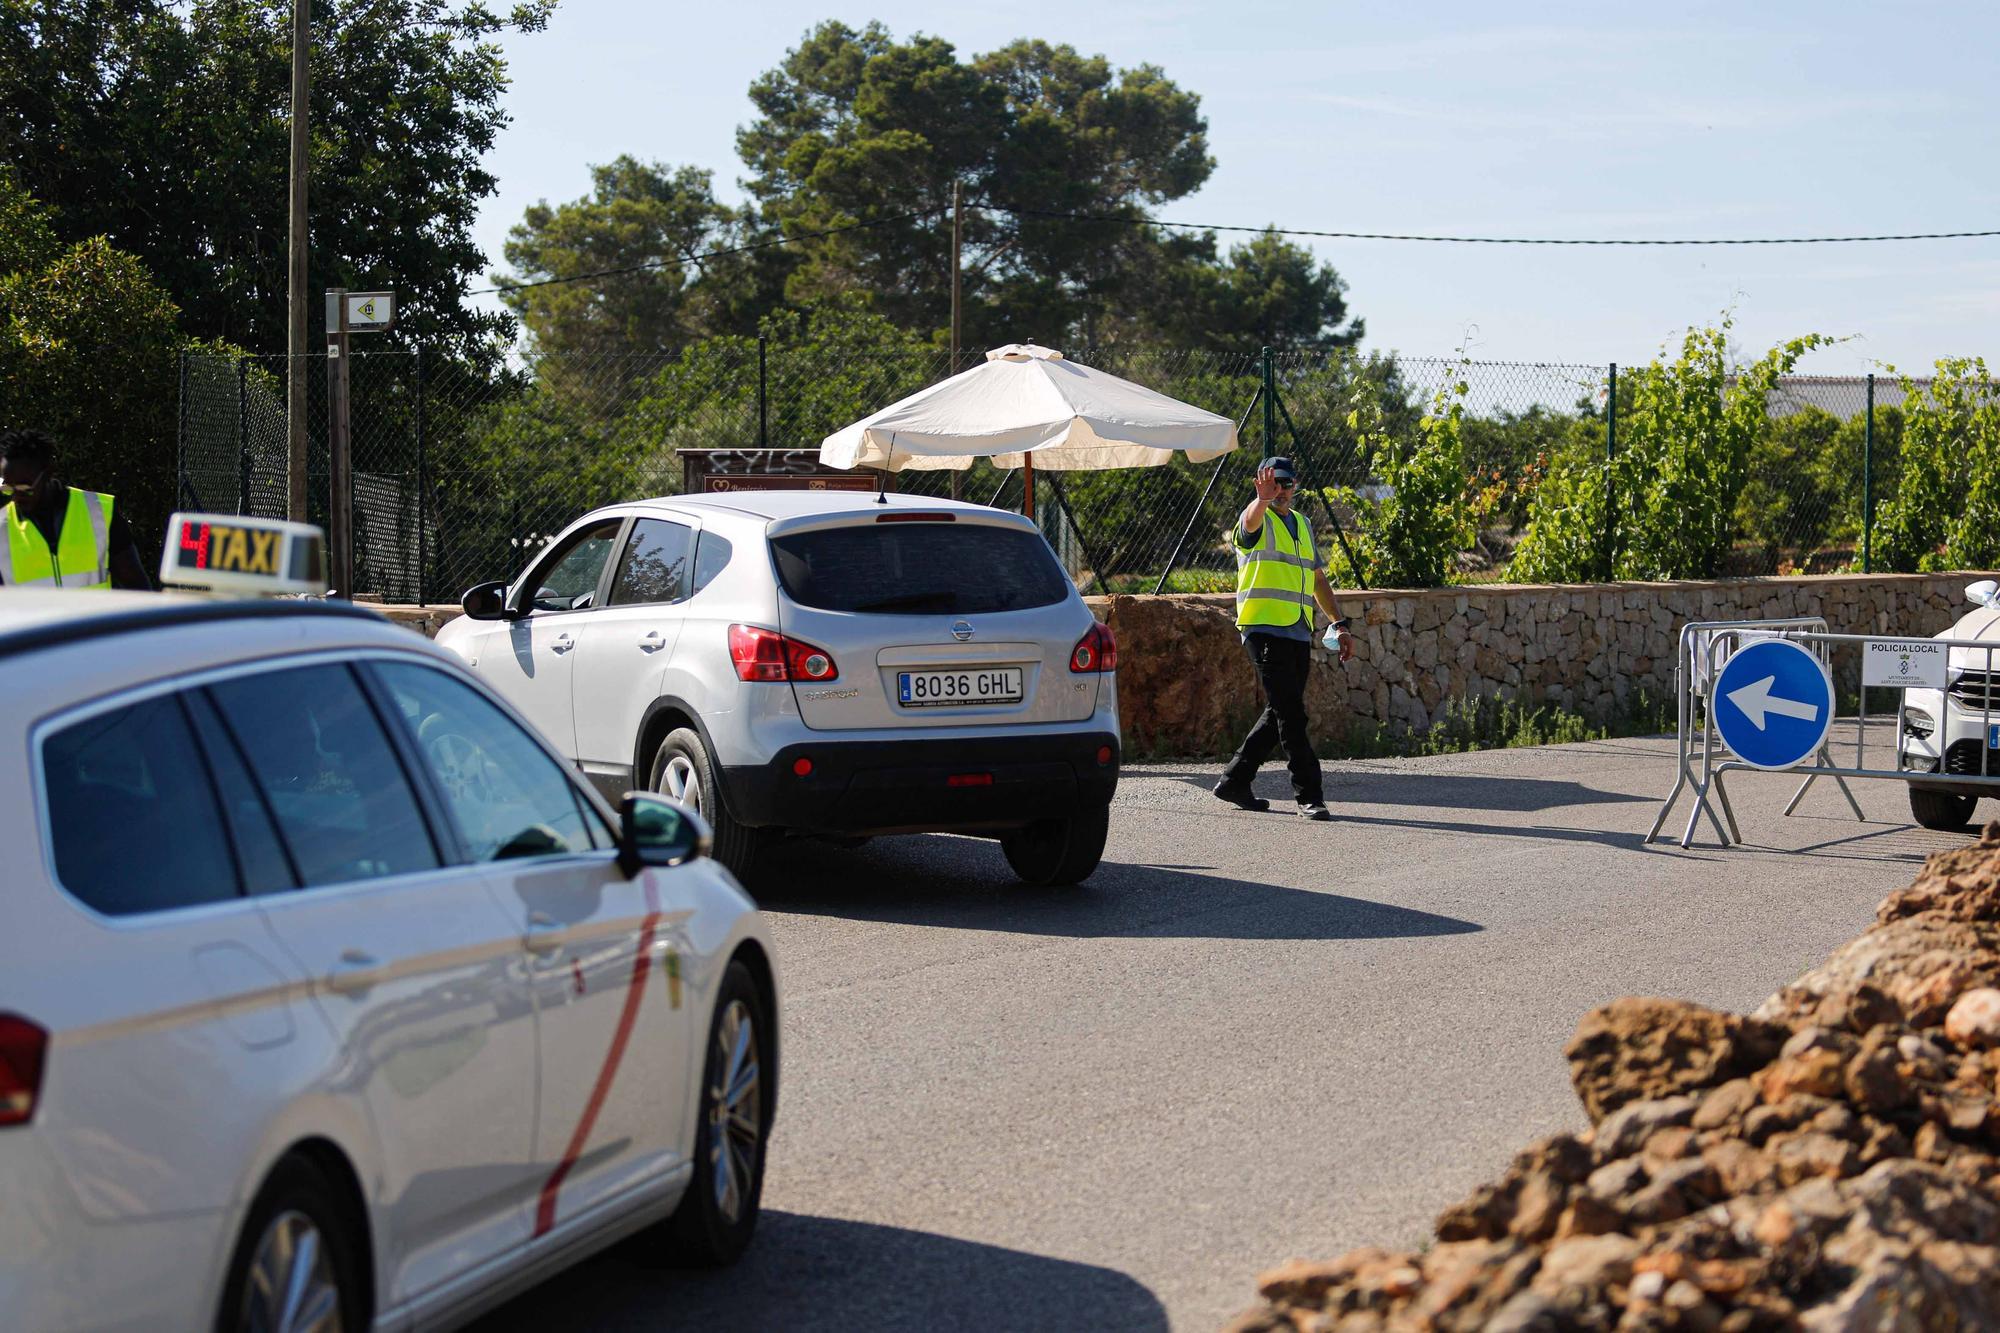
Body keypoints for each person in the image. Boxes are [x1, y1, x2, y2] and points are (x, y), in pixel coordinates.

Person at [1214, 456, 1353, 820]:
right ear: (1262, 484)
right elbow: (1248, 526)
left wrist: (1339, 622)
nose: (1279, 490)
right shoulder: (1256, 517)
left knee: (1280, 710)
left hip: (1296, 629)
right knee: (1293, 715)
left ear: (1295, 486)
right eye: (1272, 483)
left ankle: (1235, 780)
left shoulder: (1304, 525)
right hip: (1262, 630)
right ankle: (1309, 795)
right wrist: (1259, 500)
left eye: (1285, 484)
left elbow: (1318, 579)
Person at [0, 428, 152, 590]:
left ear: (48, 473)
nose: (15, 496)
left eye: (24, 487)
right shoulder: (2, 530)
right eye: (8, 488)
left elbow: (137, 586)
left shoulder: (99, 512)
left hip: (95, 616)